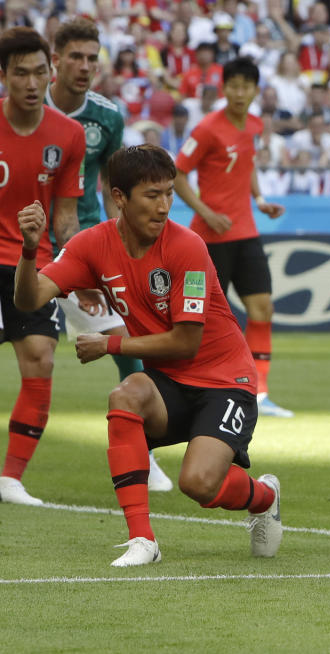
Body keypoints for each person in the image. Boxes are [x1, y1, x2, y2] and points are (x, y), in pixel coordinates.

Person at [14, 144, 283, 567]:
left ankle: (264, 497)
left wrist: (111, 344)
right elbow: (30, 300)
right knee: (126, 394)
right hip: (169, 383)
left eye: (169, 193)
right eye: (151, 195)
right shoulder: (92, 245)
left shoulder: (188, 247)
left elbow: (185, 342)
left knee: (198, 483)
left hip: (226, 380)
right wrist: (30, 252)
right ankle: (143, 541)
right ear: (119, 197)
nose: (163, 206)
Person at [46, 18, 173, 492]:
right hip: (21, 246)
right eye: (75, 57)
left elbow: (119, 185)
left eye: (92, 58)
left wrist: (116, 251)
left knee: (127, 340)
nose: (84, 67)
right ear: (54, 60)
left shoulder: (107, 117)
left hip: (80, 248)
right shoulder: (23, 110)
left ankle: (146, 451)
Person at [173, 57, 294, 418]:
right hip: (208, 239)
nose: (240, 92)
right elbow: (178, 173)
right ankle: (197, 388)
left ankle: (259, 394)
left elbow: (248, 162)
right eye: (234, 85)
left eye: (247, 86)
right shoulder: (207, 128)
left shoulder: (254, 125)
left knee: (263, 309)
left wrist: (259, 199)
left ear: (256, 90)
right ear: (224, 88)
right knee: (205, 320)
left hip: (245, 231)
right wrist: (207, 212)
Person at [0, 27, 86, 506]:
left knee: (41, 358)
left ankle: (10, 478)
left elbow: (66, 218)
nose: (32, 83)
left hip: (32, 265)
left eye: (39, 72)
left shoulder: (69, 135)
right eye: (21, 74)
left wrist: (80, 272)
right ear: (4, 77)